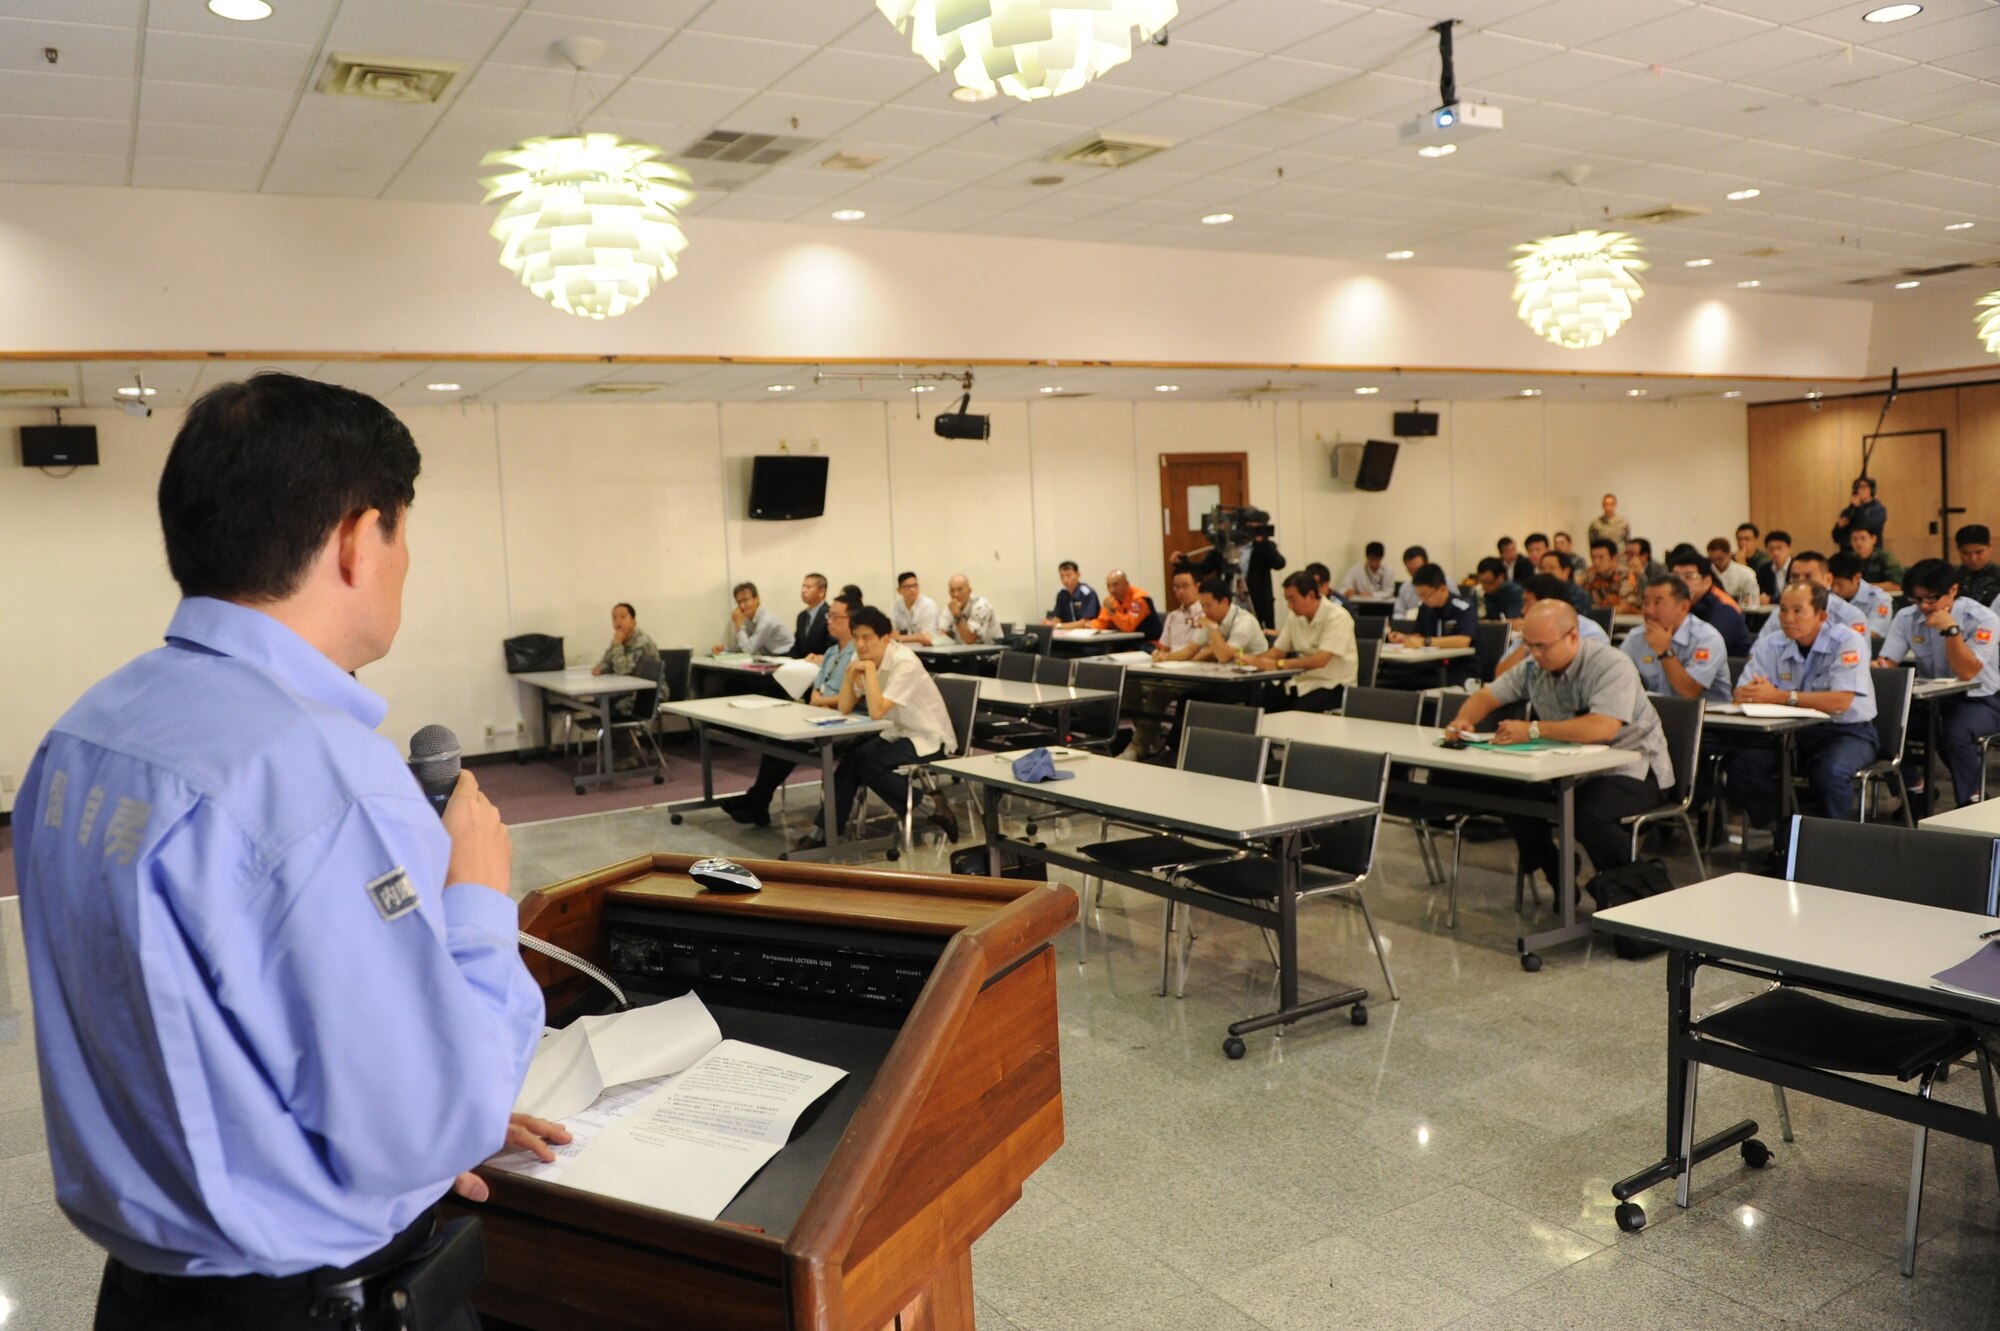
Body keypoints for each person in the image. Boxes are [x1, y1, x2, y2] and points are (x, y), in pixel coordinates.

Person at [15, 373, 553, 1328]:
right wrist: (477, 893)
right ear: (356, 537)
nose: (404, 560)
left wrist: (402, 1098)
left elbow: (206, 1030)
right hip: (307, 1305)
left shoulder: (84, 736)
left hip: (146, 1297)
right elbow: (434, 1118)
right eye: (401, 532)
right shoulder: (321, 776)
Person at [1446, 601, 1671, 888]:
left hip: (1633, 768)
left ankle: (1629, 887)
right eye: (1529, 646)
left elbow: (1602, 728)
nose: (1535, 654)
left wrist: (1534, 730)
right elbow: (1487, 696)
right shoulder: (1532, 666)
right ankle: (1559, 872)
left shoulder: (1610, 664)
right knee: (1514, 797)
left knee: (1585, 811)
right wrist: (1463, 720)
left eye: (1542, 647)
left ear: (1573, 637)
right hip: (1570, 768)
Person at [1728, 581, 1878, 846]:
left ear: (1822, 615)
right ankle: (1789, 834)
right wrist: (1752, 693)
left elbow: (1840, 701)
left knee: (1830, 771)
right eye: (1783, 610)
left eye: (1798, 611)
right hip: (1791, 733)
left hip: (1848, 732)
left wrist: (1781, 697)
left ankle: (1836, 846)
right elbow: (1741, 692)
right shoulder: (1770, 644)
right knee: (1744, 764)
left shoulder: (1847, 641)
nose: (1788, 618)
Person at [802, 606, 956, 849]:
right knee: (851, 761)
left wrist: (870, 671)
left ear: (886, 639)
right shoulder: (860, 657)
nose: (860, 645)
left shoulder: (905, 662)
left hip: (926, 735)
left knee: (868, 766)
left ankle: (930, 805)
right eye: (856, 637)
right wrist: (851, 675)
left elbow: (876, 712)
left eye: (867, 638)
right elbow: (844, 707)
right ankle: (824, 833)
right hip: (896, 731)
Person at [723, 594, 863, 826]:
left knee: (792, 742)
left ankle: (756, 800)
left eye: (836, 617)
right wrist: (822, 701)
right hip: (823, 715)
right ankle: (758, 801)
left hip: (848, 722)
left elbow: (850, 699)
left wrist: (822, 701)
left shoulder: (858, 653)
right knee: (774, 740)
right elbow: (817, 691)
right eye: (829, 616)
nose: (829, 621)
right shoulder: (830, 653)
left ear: (852, 621)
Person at [1877, 559, 2000, 807]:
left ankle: (1971, 800)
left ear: (1953, 590)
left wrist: (1952, 631)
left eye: (1931, 599)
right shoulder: (1906, 617)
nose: (1923, 606)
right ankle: (1914, 788)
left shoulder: (1982, 618)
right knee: (1882, 724)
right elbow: (1887, 663)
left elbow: (1967, 671)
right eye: (1916, 599)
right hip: (1932, 700)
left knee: (1954, 734)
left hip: (1981, 701)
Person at [1247, 571, 1358, 712]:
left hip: (1334, 685)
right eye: (1287, 601)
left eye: (1293, 600)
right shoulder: (1295, 617)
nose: (1289, 606)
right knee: (1264, 701)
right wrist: (1253, 661)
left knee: (1297, 709)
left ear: (1310, 596)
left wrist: (1279, 664)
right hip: (1303, 682)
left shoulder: (1337, 617)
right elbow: (1278, 651)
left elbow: (1321, 660)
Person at [1129, 570, 1207, 759]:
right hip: (1168, 669)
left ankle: (1138, 747)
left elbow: (1199, 652)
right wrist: (1157, 653)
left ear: (1197, 586)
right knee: (1129, 688)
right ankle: (1150, 734)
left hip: (1194, 673)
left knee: (1158, 693)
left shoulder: (1207, 613)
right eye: (1176, 587)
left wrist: (1170, 657)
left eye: (1185, 586)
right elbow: (1163, 646)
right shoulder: (1173, 616)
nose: (1180, 591)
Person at [1622, 574, 1731, 703]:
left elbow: (1689, 692)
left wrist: (1664, 652)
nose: (1649, 611)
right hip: (1652, 716)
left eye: (1658, 603)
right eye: (1646, 602)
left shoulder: (1707, 639)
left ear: (1684, 607)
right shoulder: (1636, 637)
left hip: (1707, 719)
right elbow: (1616, 680)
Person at [1492, 573, 1608, 677]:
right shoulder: (1529, 632)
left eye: (1527, 602)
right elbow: (1500, 676)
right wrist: (1527, 644)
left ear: (1547, 604)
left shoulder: (1590, 632)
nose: (1523, 610)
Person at [1755, 549, 1869, 646]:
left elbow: (1855, 663)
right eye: (1795, 576)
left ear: (1828, 580)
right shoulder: (1780, 614)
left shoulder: (1851, 616)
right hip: (1784, 672)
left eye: (1808, 576)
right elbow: (1757, 654)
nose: (1801, 582)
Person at [1391, 565, 1478, 686]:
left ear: (1443, 589)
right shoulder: (1425, 608)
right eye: (1420, 595)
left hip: (1460, 668)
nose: (1424, 599)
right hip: (1431, 666)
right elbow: (1420, 634)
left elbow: (1464, 640)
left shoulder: (1463, 607)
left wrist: (1425, 642)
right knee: (1398, 680)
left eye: (1426, 595)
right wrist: (1406, 638)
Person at [1667, 546, 1752, 657]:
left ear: (1707, 581)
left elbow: (1706, 649)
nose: (1680, 582)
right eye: (1675, 576)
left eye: (1689, 576)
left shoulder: (1725, 608)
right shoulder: (1681, 602)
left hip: (1731, 668)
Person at [593, 601, 662, 719]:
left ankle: (624, 736)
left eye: (623, 617)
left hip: (648, 693)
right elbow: (606, 662)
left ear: (633, 621)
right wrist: (602, 667)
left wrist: (617, 645)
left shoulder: (642, 642)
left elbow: (622, 669)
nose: (618, 621)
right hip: (629, 690)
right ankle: (614, 736)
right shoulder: (620, 638)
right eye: (614, 618)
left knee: (615, 706)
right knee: (599, 699)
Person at [1188, 576, 1268, 664]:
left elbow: (1224, 657)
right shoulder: (1211, 618)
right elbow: (1191, 650)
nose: (1204, 610)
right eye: (1202, 605)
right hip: (1229, 671)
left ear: (1224, 602)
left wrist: (1213, 629)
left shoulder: (1244, 621)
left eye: (1208, 605)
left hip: (1255, 672)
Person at [715, 580, 795, 656]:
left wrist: (739, 626)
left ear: (757, 599)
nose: (741, 606)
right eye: (738, 602)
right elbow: (745, 644)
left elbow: (749, 649)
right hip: (771, 657)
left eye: (745, 600)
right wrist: (725, 649)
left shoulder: (766, 620)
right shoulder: (748, 618)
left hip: (789, 656)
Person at [1828, 551, 1893, 636]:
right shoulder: (1826, 595)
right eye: (1831, 583)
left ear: (1857, 578)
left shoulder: (1880, 599)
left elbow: (1873, 634)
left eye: (1839, 584)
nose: (1834, 589)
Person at [1088, 569, 1164, 641]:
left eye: (1115, 585)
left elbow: (1128, 627)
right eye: (1108, 586)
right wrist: (1089, 624)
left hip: (1149, 642)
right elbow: (1102, 623)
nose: (1112, 590)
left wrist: (1112, 612)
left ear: (1126, 584)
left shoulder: (1139, 599)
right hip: (1127, 642)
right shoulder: (1111, 600)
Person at [1831, 475, 1886, 552]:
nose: (1858, 490)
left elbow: (1866, 525)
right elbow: (1837, 538)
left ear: (1872, 490)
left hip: (1871, 556)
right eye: (1856, 488)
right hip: (1849, 555)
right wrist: (1839, 527)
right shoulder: (1848, 510)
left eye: (1863, 487)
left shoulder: (1878, 509)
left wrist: (1858, 508)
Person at [943, 573, 1001, 644]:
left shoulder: (982, 606)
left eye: (960, 589)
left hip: (990, 652)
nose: (956, 594)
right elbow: (942, 632)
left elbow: (970, 639)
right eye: (952, 590)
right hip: (961, 652)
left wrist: (957, 616)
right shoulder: (951, 607)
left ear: (969, 590)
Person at [890, 571, 946, 644]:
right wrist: (915, 637)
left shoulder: (928, 605)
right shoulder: (895, 604)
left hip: (927, 650)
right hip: (903, 648)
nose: (912, 589)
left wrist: (901, 638)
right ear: (899, 590)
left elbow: (927, 635)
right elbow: (892, 632)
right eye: (908, 587)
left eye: (915, 586)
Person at [1584, 538, 1637, 611]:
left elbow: (1627, 605)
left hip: (1622, 619)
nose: (1596, 562)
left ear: (1614, 558)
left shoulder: (1626, 574)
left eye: (1601, 558)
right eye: (1593, 557)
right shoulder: (1590, 575)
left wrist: (1601, 614)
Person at [1705, 537, 1761, 607]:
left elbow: (1753, 599)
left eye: (1720, 559)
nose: (1716, 563)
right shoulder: (1705, 573)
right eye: (1712, 559)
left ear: (1729, 554)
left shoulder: (1746, 573)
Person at [789, 572, 832, 659]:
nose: (803, 590)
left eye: (808, 587)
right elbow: (797, 648)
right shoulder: (802, 616)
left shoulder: (831, 615)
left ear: (821, 591)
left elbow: (832, 647)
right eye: (803, 586)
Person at [1955, 524, 2000, 609]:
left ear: (1990, 547)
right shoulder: (1950, 576)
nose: (1973, 559)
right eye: (1966, 553)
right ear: (1958, 550)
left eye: (1979, 552)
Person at [1536, 550, 1594, 614]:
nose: (1546, 572)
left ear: (1566, 572)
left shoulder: (1579, 595)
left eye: (1551, 568)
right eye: (1543, 569)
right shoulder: (1537, 592)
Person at [1045, 560, 1100, 626]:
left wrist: (1059, 626)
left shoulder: (1087, 593)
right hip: (1067, 632)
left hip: (1087, 632)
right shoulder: (1062, 593)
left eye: (1069, 575)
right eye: (1062, 576)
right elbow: (1057, 618)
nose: (1065, 580)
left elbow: (1085, 622)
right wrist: (1050, 624)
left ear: (1078, 575)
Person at [1849, 525, 1904, 592]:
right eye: (1855, 539)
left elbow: (1897, 585)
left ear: (1873, 539)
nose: (1858, 543)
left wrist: (1866, 587)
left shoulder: (1886, 558)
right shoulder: (1849, 559)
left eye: (1863, 538)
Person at [1474, 556, 1525, 621]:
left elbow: (1513, 621)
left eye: (1489, 582)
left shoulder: (1515, 592)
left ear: (1501, 577)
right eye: (1481, 582)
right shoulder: (1479, 592)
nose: (1484, 586)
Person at [1392, 545, 1429, 616]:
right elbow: (1398, 612)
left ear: (1427, 564)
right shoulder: (1405, 588)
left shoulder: (1445, 583)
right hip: (1412, 625)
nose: (1416, 574)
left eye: (1418, 569)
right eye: (1411, 570)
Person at [1759, 529, 1793, 602]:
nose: (1775, 552)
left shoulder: (1797, 568)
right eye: (1771, 549)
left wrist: (1771, 599)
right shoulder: (1764, 570)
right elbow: (1761, 593)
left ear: (1789, 549)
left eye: (1779, 548)